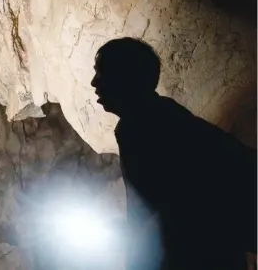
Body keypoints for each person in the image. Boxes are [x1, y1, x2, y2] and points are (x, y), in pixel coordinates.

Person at [92, 37, 256, 270]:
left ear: (123, 78)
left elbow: (183, 204)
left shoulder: (154, 125)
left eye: (101, 73)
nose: (93, 83)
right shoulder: (151, 120)